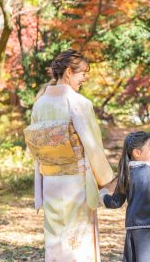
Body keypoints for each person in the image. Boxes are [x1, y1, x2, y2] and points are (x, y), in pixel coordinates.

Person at [25, 49, 114, 261]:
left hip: (51, 181)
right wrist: (107, 181)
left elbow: (38, 148)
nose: (85, 78)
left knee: (55, 237)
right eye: (82, 73)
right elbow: (92, 146)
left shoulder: (39, 104)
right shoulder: (78, 103)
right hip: (76, 181)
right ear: (67, 72)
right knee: (78, 238)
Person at [99, 131, 150, 262]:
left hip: (132, 227)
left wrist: (102, 195)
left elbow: (115, 202)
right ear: (137, 153)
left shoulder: (125, 175)